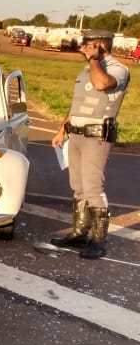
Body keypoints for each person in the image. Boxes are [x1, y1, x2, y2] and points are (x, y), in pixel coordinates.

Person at [50, 31, 130, 259]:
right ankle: (79, 233)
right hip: (75, 135)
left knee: (93, 188)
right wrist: (62, 129)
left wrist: (94, 59)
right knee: (78, 187)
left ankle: (98, 240)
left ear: (101, 44)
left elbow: (102, 84)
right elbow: (77, 104)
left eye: (88, 44)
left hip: (96, 137)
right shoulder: (87, 69)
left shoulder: (117, 69)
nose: (84, 47)